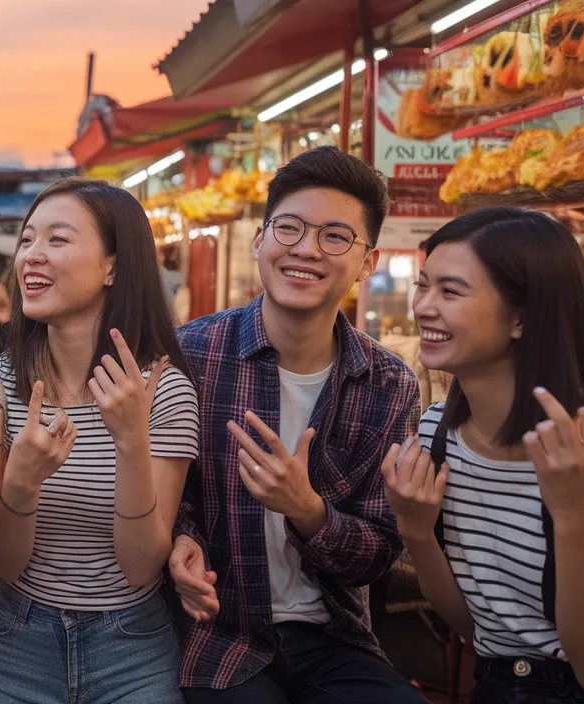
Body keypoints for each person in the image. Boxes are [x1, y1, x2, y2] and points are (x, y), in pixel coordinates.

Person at [168, 146, 424, 704]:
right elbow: (165, 492)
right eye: (289, 228)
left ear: (367, 262)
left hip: (332, 638)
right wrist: (179, 541)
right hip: (217, 634)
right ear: (260, 240)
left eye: (335, 236)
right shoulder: (191, 354)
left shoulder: (388, 384)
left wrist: (307, 510)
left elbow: (380, 551)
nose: (306, 249)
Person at [0, 177, 200, 704]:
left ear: (113, 267)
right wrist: (22, 482)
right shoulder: (4, 382)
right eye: (27, 239)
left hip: (131, 647)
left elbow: (142, 566)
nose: (31, 255)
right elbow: (4, 564)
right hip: (16, 640)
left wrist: (131, 443)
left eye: (57, 239)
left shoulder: (163, 390)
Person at [383, 207, 584, 702]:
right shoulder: (438, 434)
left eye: (450, 291)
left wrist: (573, 516)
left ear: (521, 317)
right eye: (423, 284)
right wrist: (415, 530)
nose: (424, 306)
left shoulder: (581, 446)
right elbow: (479, 632)